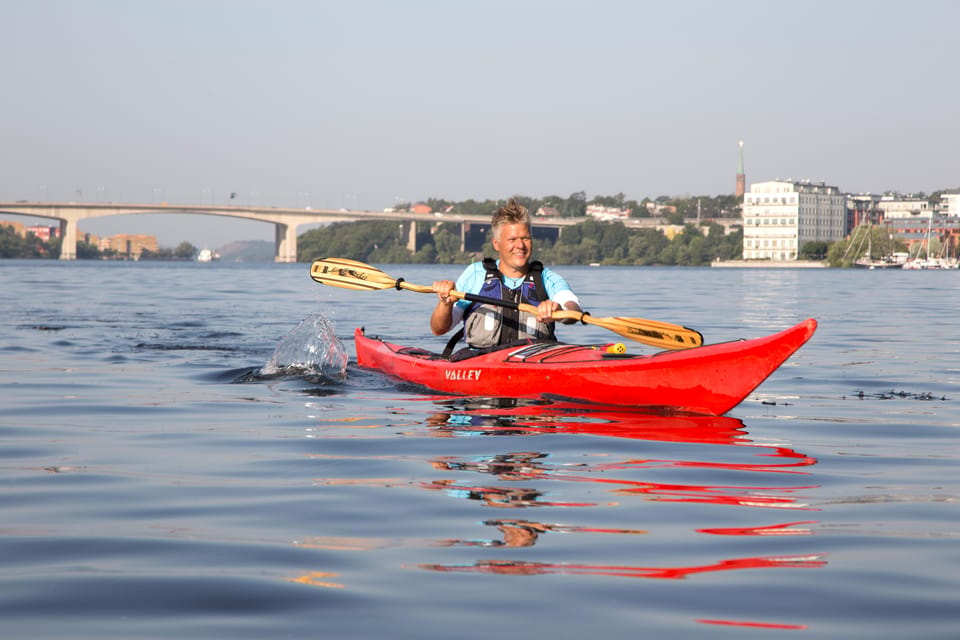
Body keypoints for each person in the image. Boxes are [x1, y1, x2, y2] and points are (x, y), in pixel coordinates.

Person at [431, 199, 582, 353]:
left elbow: (574, 311)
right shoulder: (475, 275)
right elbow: (439, 329)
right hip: (482, 366)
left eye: (525, 238)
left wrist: (559, 311)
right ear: (496, 244)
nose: (520, 246)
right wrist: (445, 304)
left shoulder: (547, 278)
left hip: (534, 366)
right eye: (512, 240)